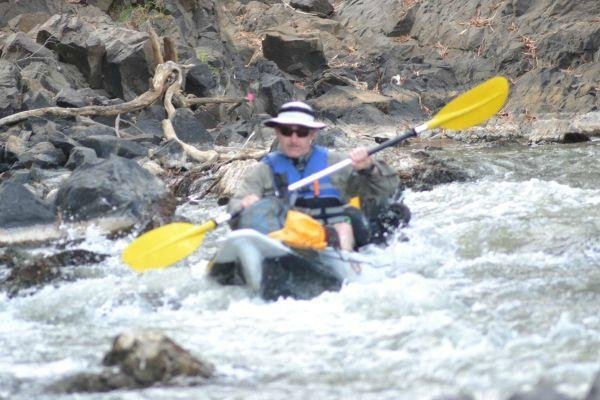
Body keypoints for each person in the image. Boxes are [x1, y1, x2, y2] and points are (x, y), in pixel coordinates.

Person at [228, 101, 400, 251]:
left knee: (346, 222)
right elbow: (234, 208)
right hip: (284, 240)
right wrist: (242, 205)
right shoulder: (263, 170)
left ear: (312, 134)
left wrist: (369, 168)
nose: (294, 139)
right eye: (287, 131)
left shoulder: (337, 163)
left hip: (330, 241)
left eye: (301, 132)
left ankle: (347, 260)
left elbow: (387, 189)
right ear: (277, 132)